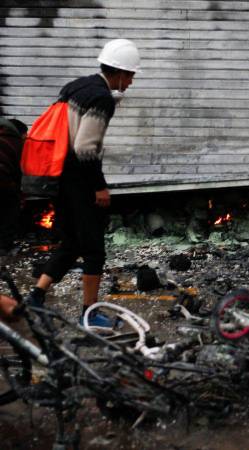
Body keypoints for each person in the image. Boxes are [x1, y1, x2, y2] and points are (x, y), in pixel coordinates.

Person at [24, 39, 141, 327]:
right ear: (120, 73)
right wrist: (99, 186)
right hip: (78, 179)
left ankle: (36, 296)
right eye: (131, 75)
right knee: (93, 249)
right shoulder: (101, 98)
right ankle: (89, 314)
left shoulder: (77, 86)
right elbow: (86, 148)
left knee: (72, 242)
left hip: (58, 175)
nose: (131, 82)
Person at [0, 118, 28, 256]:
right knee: (9, 210)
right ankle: (4, 246)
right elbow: (18, 171)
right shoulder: (16, 142)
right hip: (3, 181)